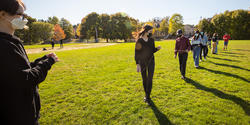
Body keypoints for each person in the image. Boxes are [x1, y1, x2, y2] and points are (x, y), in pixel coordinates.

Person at [0, 0, 59, 124]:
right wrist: (48, 63)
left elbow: (19, 70)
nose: (24, 19)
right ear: (3, 14)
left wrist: (40, 60)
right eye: (20, 14)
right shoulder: (4, 45)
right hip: (17, 116)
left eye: (25, 15)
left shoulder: (11, 41)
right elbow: (27, 78)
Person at [135, 25, 161, 106]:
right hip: (142, 62)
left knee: (150, 79)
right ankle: (146, 94)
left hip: (151, 62)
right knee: (144, 79)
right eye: (150, 30)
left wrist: (157, 48)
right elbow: (137, 53)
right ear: (146, 30)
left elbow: (152, 50)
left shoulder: (151, 40)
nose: (151, 32)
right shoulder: (139, 41)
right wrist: (137, 64)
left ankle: (147, 96)